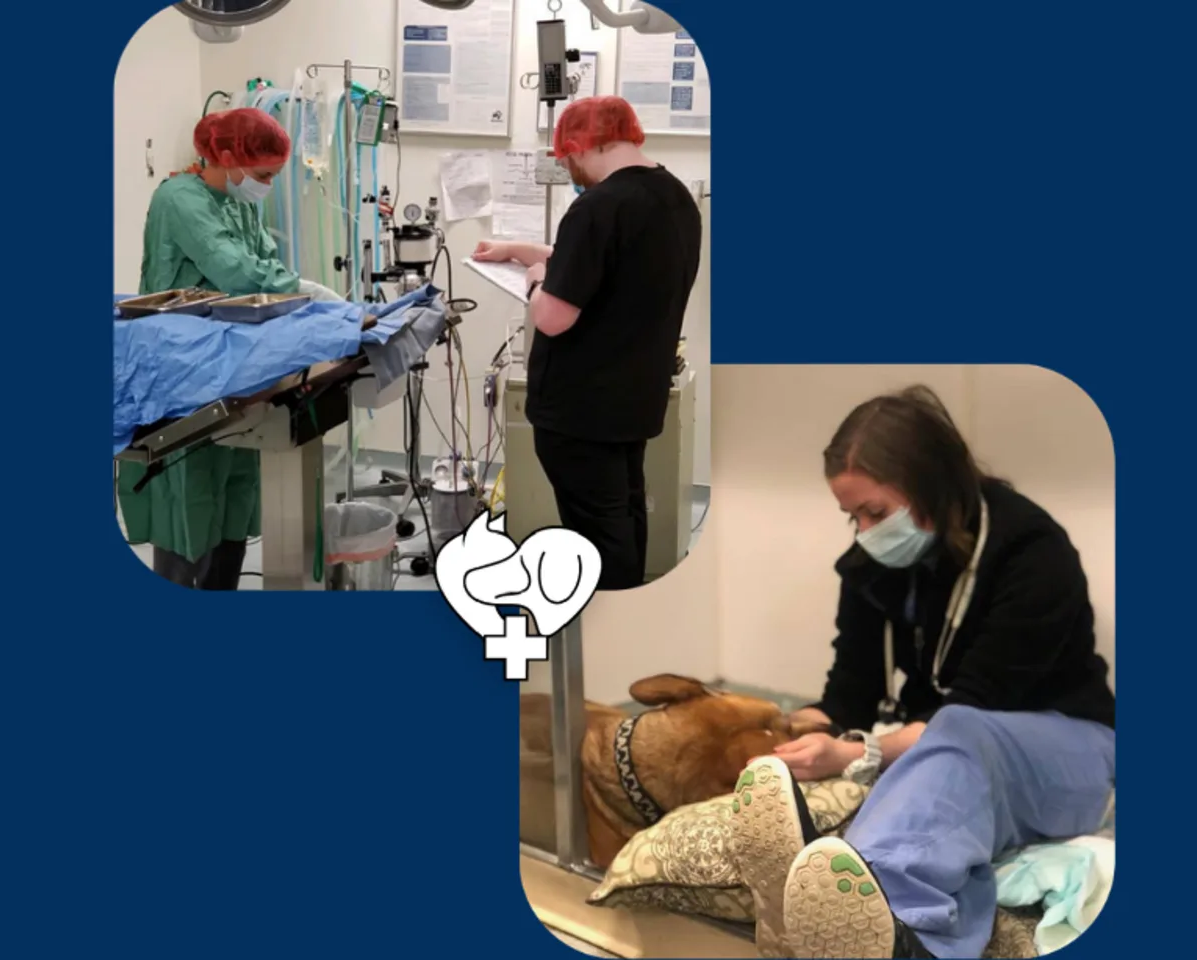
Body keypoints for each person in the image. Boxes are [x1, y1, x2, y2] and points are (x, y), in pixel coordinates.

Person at [725, 386, 1116, 959]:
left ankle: (895, 914)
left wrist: (859, 753)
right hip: (958, 747)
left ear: (932, 486)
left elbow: (976, 705)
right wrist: (788, 731)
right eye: (851, 515)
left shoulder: (1034, 553)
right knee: (936, 748)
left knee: (960, 728)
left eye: (876, 513)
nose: (862, 530)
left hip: (1075, 751)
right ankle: (833, 887)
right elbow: (849, 693)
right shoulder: (871, 565)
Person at [471, 96, 702, 590]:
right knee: (624, 514)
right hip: (634, 401)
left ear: (578, 147)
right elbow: (607, 263)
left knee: (597, 534)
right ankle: (630, 612)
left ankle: (603, 633)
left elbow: (552, 318)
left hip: (581, 414)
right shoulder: (674, 197)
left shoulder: (596, 207)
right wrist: (516, 250)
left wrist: (536, 281)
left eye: (567, 160)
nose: (571, 171)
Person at [117, 108, 340, 590]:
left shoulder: (243, 203)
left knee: (235, 489)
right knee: (190, 494)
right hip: (180, 370)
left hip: (232, 365)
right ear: (222, 155)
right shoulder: (178, 198)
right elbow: (237, 271)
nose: (265, 184)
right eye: (262, 174)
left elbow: (265, 263)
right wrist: (309, 291)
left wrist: (297, 298)